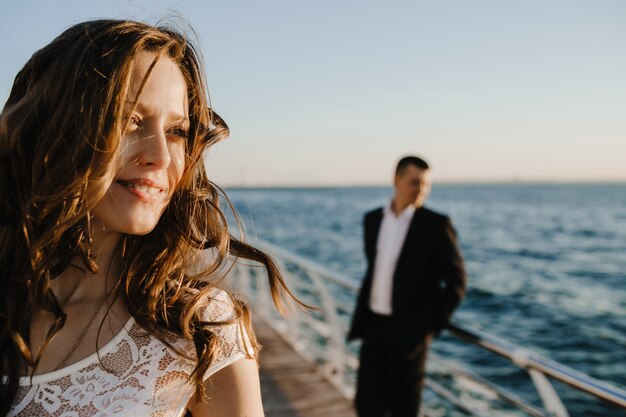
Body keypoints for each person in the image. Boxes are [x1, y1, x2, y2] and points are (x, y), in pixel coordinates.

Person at [0, 19, 295, 417]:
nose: (160, 154)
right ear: (56, 128)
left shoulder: (201, 330)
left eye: (177, 131)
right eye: (130, 121)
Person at [347, 156, 467, 417]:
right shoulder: (373, 220)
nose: (420, 190)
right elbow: (376, 271)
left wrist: (429, 327)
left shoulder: (436, 225)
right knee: (366, 407)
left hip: (410, 337)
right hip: (373, 329)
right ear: (396, 180)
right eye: (415, 183)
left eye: (426, 184)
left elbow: (457, 283)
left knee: (404, 410)